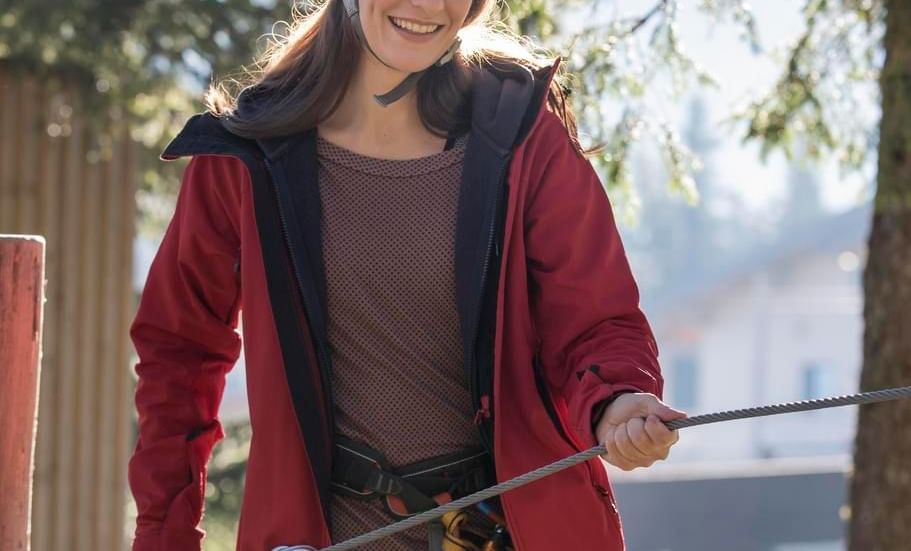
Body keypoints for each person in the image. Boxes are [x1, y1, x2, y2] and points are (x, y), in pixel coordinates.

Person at [128, 0, 686, 550]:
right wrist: (165, 533)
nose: (428, 5)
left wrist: (617, 398)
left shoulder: (523, 137)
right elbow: (178, 353)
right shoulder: (243, 156)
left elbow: (595, 317)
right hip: (319, 535)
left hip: (509, 532)